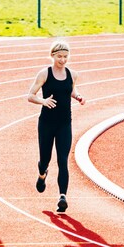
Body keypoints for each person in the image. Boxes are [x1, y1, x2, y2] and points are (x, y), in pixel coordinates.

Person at [26, 40, 85, 213]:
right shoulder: (44, 74)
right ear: (52, 56)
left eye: (66, 57)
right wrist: (43, 101)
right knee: (45, 159)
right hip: (46, 124)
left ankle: (62, 197)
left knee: (63, 160)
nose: (63, 60)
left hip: (64, 123)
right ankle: (42, 174)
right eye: (59, 56)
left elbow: (71, 90)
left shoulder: (72, 74)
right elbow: (30, 95)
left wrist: (79, 96)